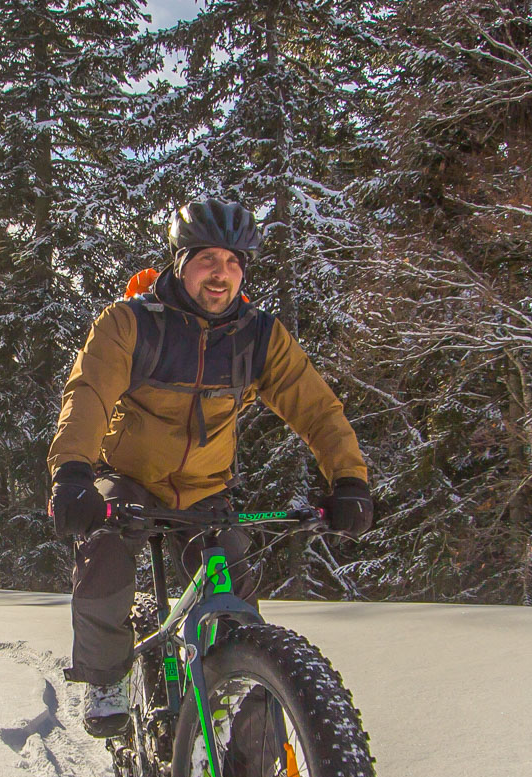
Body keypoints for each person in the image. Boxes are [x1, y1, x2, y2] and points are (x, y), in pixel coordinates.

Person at [46, 198, 375, 739]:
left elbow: (317, 408)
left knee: (236, 602)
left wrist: (350, 479)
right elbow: (87, 397)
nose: (221, 274)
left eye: (234, 261)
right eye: (207, 260)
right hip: (127, 478)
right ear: (179, 262)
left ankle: (253, 758)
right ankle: (106, 677)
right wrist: (73, 474)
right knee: (103, 551)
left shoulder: (257, 338)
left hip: (203, 491)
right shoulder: (129, 324)